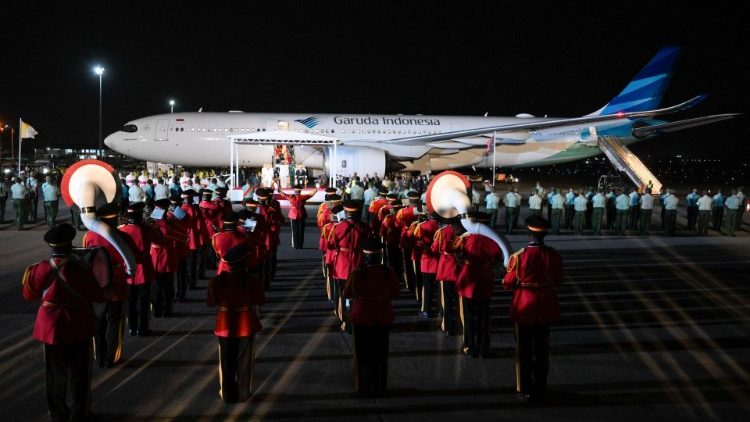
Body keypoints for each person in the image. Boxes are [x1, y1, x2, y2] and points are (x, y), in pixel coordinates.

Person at [22, 224, 108, 421]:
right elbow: (97, 294)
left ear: (51, 247)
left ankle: (58, 415)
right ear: (70, 246)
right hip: (78, 325)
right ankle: (79, 414)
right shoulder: (81, 269)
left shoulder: (40, 269)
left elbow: (28, 294)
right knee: (80, 375)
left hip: (51, 328)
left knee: (54, 376)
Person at [503, 216, 563, 401]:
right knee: (542, 349)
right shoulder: (553, 255)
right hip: (545, 303)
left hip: (524, 305)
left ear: (529, 233)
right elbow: (559, 281)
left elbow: (508, 283)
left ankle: (525, 388)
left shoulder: (520, 256)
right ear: (544, 234)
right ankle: (541, 386)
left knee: (524, 350)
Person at [207, 243, 266, 403]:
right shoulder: (252, 281)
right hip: (246, 323)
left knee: (225, 362)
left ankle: (227, 393)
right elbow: (260, 300)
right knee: (244, 362)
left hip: (224, 323)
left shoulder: (216, 281)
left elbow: (211, 303)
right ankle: (242, 392)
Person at [343, 238, 400, 397]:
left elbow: (347, 293)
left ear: (364, 256)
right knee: (381, 354)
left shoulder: (357, 273)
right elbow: (396, 292)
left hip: (362, 316)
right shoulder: (388, 272)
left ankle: (363, 388)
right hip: (383, 315)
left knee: (362, 355)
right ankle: (381, 387)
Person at [81, 203, 129, 367]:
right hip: (116, 281)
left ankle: (100, 357)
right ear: (115, 218)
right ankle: (112, 356)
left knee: (99, 320)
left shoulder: (89, 236)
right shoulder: (120, 235)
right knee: (115, 320)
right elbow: (132, 256)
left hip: (97, 283)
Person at [452, 212, 503, 358]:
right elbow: (497, 258)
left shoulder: (467, 238)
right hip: (485, 277)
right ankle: (483, 348)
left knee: (468, 317)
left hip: (468, 277)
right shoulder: (493, 240)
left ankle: (469, 346)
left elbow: (457, 254)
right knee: (484, 316)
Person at [118, 202, 155, 336]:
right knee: (144, 302)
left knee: (131, 301)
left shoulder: (121, 230)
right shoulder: (147, 229)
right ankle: (142, 329)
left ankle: (132, 327)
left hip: (128, 270)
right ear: (140, 215)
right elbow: (161, 241)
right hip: (144, 270)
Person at [279, 185, 315, 249]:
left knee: (294, 231)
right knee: (301, 230)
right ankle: (300, 245)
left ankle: (295, 245)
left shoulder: (291, 197)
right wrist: (315, 190)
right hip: (301, 214)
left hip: (293, 215)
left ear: (294, 191)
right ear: (300, 191)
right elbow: (310, 195)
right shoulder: (303, 197)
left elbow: (284, 195)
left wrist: (279, 191)